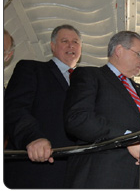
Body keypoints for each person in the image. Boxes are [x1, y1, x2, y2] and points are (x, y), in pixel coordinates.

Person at [63, 31, 140, 188]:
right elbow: (78, 119)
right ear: (119, 50)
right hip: (103, 176)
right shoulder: (90, 75)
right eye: (139, 54)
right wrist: (128, 140)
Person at [4, 24, 82, 188]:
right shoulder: (31, 69)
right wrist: (32, 137)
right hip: (36, 172)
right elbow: (15, 108)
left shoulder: (86, 82)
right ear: (52, 46)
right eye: (65, 41)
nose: (71, 45)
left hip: (76, 175)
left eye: (75, 42)